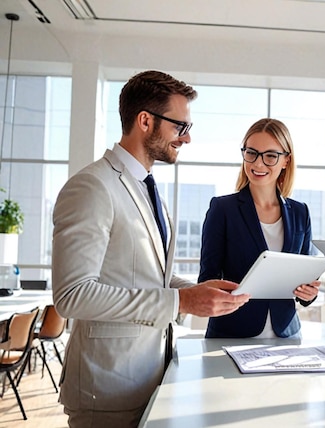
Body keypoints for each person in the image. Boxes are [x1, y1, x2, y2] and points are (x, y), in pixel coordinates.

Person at [51, 70, 250, 428]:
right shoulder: (92, 187)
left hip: (152, 377)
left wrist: (193, 290)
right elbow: (73, 295)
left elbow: (148, 273)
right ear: (145, 121)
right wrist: (182, 303)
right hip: (107, 387)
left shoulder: (147, 187)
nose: (186, 139)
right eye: (180, 127)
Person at [199, 118, 320, 339]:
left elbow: (304, 279)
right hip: (232, 332)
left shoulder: (301, 212)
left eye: (271, 156)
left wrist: (309, 293)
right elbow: (207, 279)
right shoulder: (223, 208)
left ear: (286, 161)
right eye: (251, 153)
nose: (258, 164)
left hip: (287, 334)